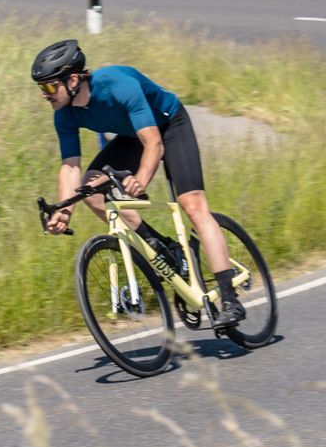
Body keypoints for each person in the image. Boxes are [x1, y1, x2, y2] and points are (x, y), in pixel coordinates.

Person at [31, 39, 246, 326]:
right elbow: (70, 166)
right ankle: (161, 247)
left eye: (49, 87)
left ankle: (230, 300)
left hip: (169, 126)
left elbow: (154, 143)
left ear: (72, 80)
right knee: (90, 190)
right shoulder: (64, 115)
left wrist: (141, 180)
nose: (44, 95)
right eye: (40, 88)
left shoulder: (118, 85)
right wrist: (64, 210)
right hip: (133, 136)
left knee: (193, 206)